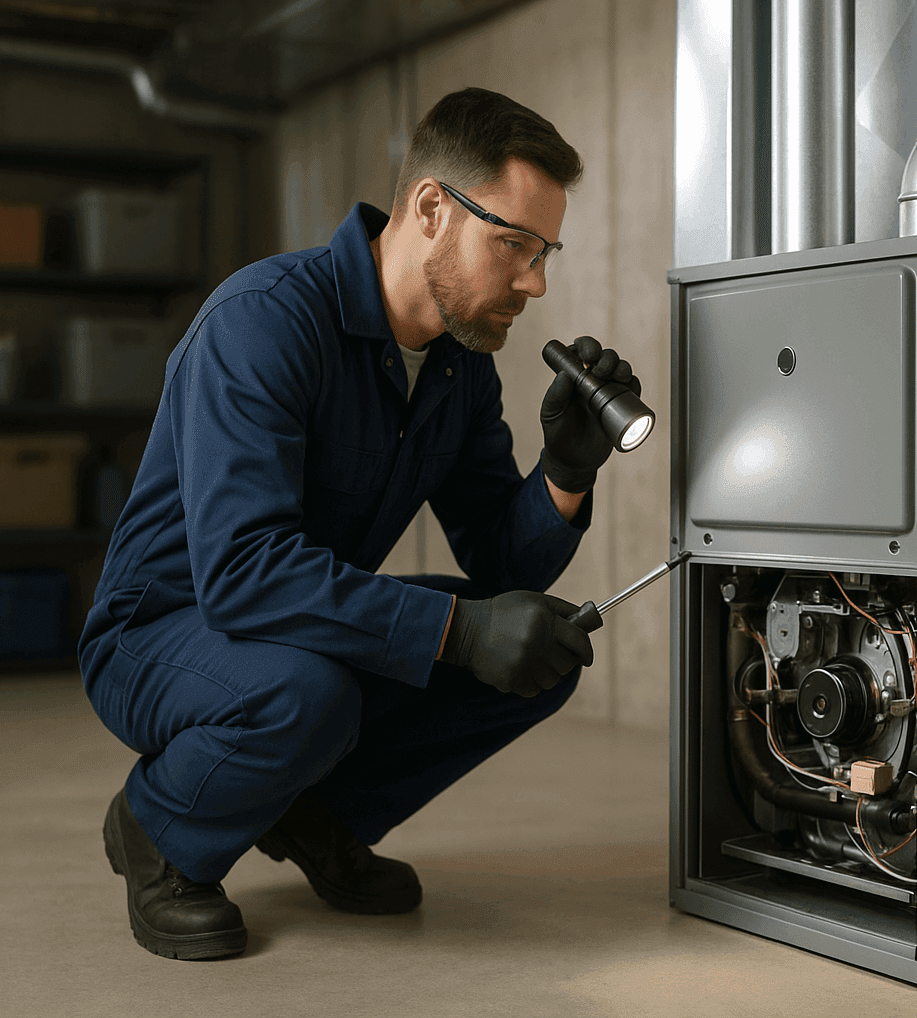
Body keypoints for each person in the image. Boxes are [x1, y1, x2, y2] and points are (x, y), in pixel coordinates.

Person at [78, 87, 641, 961]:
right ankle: (158, 827)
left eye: (546, 251)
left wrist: (565, 474)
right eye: (516, 245)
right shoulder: (264, 323)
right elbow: (243, 574)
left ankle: (312, 812)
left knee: (539, 651)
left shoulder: (458, 370)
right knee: (312, 692)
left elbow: (499, 562)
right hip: (158, 633)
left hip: (291, 630)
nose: (535, 281)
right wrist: (458, 631)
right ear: (430, 209)